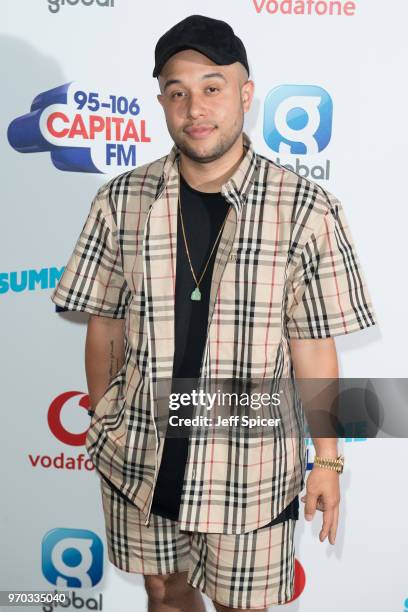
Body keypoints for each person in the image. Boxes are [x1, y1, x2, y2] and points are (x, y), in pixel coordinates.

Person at [51, 14, 377, 612]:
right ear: (162, 103)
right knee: (163, 591)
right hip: (139, 458)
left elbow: (312, 346)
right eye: (177, 92)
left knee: (240, 605)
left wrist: (327, 459)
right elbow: (104, 323)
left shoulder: (305, 209)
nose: (195, 107)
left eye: (211, 87)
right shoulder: (120, 200)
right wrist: (102, 422)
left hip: (248, 467)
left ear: (245, 94)